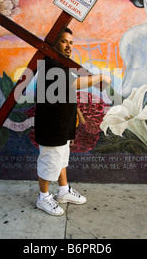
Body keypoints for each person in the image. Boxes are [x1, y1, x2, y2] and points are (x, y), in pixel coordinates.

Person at [34, 28, 111, 216]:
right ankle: (43, 198)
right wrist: (98, 78)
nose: (68, 46)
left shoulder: (61, 64)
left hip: (63, 123)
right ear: (54, 43)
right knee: (49, 160)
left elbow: (64, 92)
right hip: (52, 124)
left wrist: (76, 113)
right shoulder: (51, 62)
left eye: (71, 42)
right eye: (63, 41)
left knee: (61, 159)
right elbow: (69, 85)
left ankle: (63, 191)